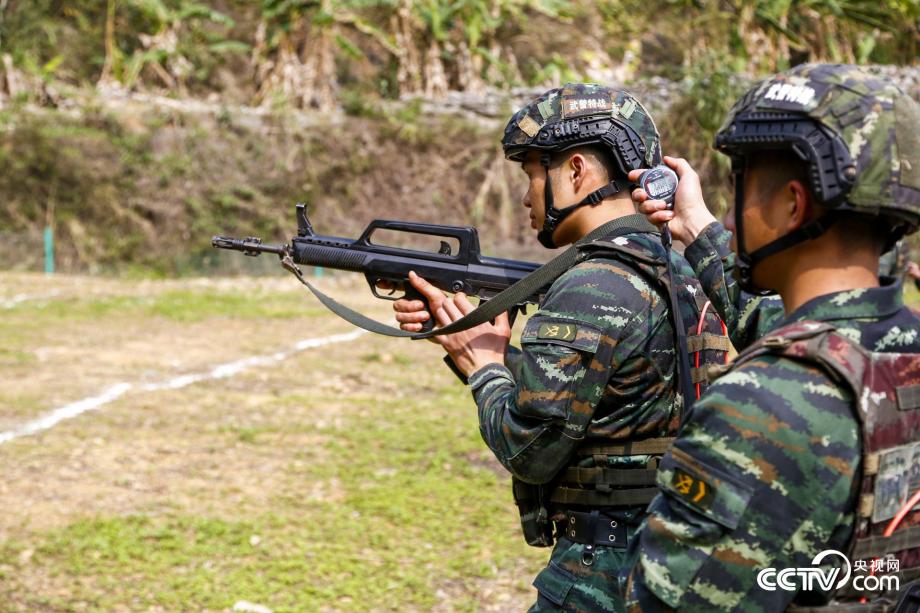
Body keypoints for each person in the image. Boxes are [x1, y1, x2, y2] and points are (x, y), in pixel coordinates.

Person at [391, 84, 728, 612]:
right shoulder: (680, 267)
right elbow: (612, 396)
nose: (527, 197)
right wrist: (493, 352)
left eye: (531, 176)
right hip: (675, 557)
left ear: (576, 171)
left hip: (604, 573)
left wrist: (480, 366)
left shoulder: (592, 285)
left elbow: (529, 449)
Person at [624, 64, 920, 610]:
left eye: (739, 184)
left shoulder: (761, 404)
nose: (732, 215)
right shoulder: (895, 348)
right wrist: (698, 230)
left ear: (791, 204)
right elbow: (786, 326)